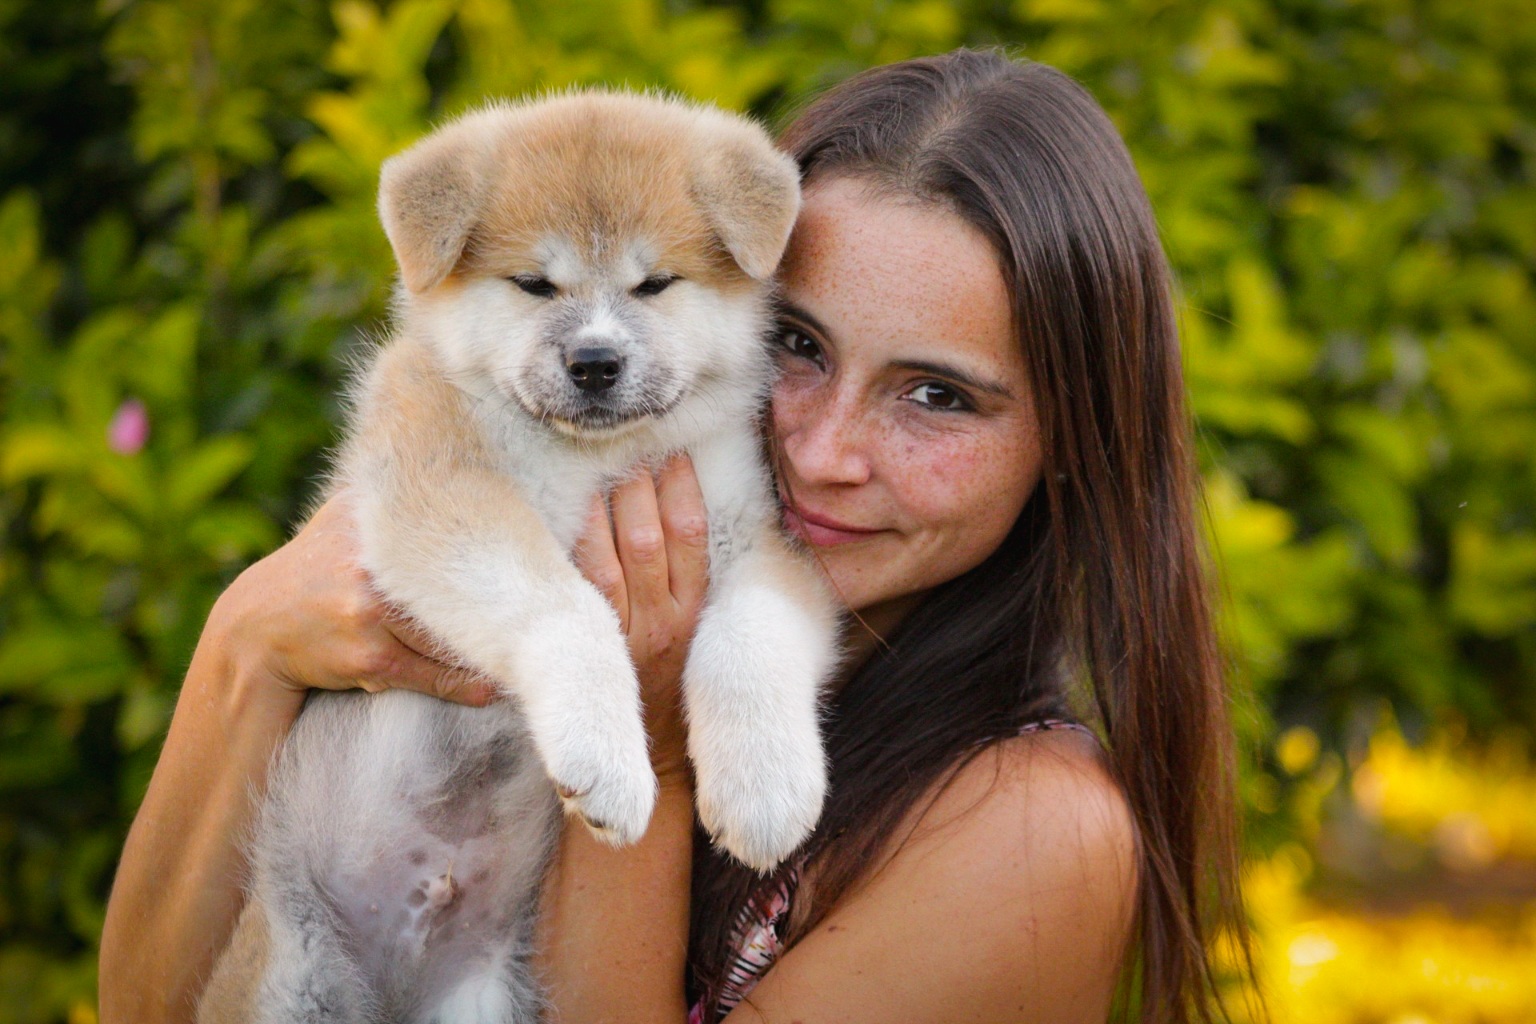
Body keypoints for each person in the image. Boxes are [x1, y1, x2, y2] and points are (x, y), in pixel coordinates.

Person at [100, 49, 1252, 1023]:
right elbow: (146, 1003)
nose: (824, 452)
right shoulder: (581, 512)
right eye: (797, 343)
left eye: (937, 397)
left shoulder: (1028, 833)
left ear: (1075, 437)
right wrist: (247, 642)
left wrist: (652, 744)